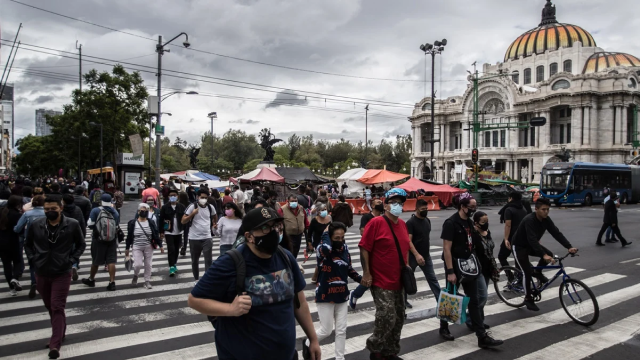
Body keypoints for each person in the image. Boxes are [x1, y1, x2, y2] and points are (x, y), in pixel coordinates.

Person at [188, 207, 321, 360]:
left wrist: (313, 339)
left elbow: (300, 302)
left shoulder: (286, 257)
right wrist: (230, 309)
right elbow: (194, 300)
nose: (274, 232)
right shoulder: (230, 263)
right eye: (265, 228)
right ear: (249, 236)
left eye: (276, 226)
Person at [25, 195, 85, 359]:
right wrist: (32, 259)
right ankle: (60, 332)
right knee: (50, 306)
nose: (50, 212)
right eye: (47, 209)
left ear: (61, 208)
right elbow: (27, 244)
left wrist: (72, 260)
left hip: (62, 272)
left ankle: (55, 344)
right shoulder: (37, 224)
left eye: (53, 209)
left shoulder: (72, 224)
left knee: (57, 306)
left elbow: (81, 244)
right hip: (42, 271)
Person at [441, 192, 503, 348]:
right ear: (462, 207)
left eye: (475, 207)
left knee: (474, 300)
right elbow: (446, 249)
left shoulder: (469, 223)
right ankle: (443, 328)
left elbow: (474, 244)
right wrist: (450, 272)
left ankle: (481, 336)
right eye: (472, 207)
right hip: (454, 265)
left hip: (469, 266)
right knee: (450, 297)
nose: (474, 210)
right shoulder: (451, 223)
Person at [358, 188, 411, 359]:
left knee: (399, 318)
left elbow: (405, 248)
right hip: (381, 279)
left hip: (399, 280)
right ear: (386, 205)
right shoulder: (376, 223)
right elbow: (364, 247)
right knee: (387, 316)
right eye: (393, 202)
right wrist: (366, 273)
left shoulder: (402, 225)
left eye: (400, 202)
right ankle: (375, 348)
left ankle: (391, 351)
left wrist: (408, 266)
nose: (397, 205)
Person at [304, 221, 361, 360]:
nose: (340, 241)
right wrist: (325, 233)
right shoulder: (321, 249)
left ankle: (340, 358)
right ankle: (307, 343)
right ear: (329, 238)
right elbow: (326, 250)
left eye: (342, 237)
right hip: (325, 294)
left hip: (342, 294)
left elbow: (348, 268)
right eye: (336, 238)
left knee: (341, 330)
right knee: (326, 330)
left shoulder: (345, 248)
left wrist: (361, 279)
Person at [512, 198, 578, 311]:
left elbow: (556, 233)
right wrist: (543, 255)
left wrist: (569, 246)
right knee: (526, 272)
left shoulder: (546, 219)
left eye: (548, 209)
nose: (546, 212)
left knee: (550, 253)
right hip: (520, 246)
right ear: (536, 209)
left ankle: (537, 272)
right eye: (543, 209)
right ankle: (528, 299)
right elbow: (532, 239)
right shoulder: (529, 220)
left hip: (531, 245)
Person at [404, 198, 454, 336]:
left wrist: (423, 255)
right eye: (423, 209)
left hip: (426, 257)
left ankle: (441, 302)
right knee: (407, 280)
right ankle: (402, 303)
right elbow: (408, 241)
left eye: (427, 209)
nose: (425, 211)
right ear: (417, 208)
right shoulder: (410, 223)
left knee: (433, 280)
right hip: (414, 257)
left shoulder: (427, 221)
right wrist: (415, 255)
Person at [82, 194, 120, 291]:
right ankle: (112, 282)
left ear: (101, 201)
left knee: (96, 260)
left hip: (98, 239)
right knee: (111, 261)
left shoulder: (96, 210)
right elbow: (116, 225)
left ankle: (91, 279)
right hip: (111, 239)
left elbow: (90, 224)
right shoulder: (115, 212)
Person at [467, 211, 497, 330]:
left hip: (488, 267)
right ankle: (472, 319)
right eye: (483, 222)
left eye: (487, 221)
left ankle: (479, 320)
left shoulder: (487, 232)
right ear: (476, 223)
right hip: (477, 269)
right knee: (483, 296)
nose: (486, 224)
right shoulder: (473, 235)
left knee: (480, 297)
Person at [182, 189, 218, 285]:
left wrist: (214, 223)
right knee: (195, 260)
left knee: (208, 260)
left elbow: (215, 216)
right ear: (197, 197)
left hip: (207, 237)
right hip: (194, 238)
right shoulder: (192, 207)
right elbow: (183, 220)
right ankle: (196, 279)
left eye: (206, 198)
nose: (204, 199)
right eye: (202, 197)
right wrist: (192, 214)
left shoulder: (210, 207)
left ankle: (207, 280)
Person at [14, 194, 46, 297]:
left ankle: (34, 282)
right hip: (46, 240)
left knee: (32, 262)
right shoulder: (47, 213)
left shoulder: (27, 214)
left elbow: (17, 228)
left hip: (30, 241)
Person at [126, 203, 164, 289]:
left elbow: (155, 234)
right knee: (137, 265)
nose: (144, 212)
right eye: (142, 211)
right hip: (137, 246)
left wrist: (161, 245)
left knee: (148, 264)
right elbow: (129, 236)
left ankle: (147, 281)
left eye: (146, 211)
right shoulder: (132, 223)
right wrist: (127, 248)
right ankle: (136, 275)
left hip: (148, 246)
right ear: (138, 211)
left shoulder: (150, 222)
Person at [0, 195, 24, 296]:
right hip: (14, 241)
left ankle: (11, 288)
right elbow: (20, 229)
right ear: (17, 204)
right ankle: (15, 278)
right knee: (17, 261)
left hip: (1, 242)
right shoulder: (17, 215)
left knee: (6, 265)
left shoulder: (1, 213)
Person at [498, 192, 528, 272]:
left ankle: (510, 276)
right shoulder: (523, 208)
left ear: (511, 198)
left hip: (512, 237)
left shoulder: (509, 209)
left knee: (502, 256)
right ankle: (519, 276)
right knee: (518, 258)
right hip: (522, 236)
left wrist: (506, 239)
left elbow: (508, 225)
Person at [159, 189, 186, 277]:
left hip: (179, 231)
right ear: (168, 197)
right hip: (169, 232)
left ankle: (174, 263)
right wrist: (161, 232)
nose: (173, 197)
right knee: (171, 249)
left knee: (177, 249)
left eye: (174, 195)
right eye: (171, 195)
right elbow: (160, 220)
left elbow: (185, 218)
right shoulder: (165, 207)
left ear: (177, 196)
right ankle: (171, 266)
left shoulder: (181, 206)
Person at [61, 194, 87, 281]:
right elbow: (82, 222)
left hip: (64, 233)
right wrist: (83, 233)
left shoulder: (61, 209)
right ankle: (75, 265)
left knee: (66, 251)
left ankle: (67, 266)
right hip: (76, 232)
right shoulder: (77, 209)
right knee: (76, 250)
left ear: (63, 201)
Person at [307, 203, 332, 283]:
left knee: (328, 260)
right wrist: (309, 244)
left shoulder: (330, 218)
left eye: (325, 209)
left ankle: (320, 277)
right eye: (322, 210)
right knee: (320, 261)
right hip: (318, 243)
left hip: (329, 242)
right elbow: (309, 233)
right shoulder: (315, 220)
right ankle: (316, 277)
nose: (324, 211)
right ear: (318, 212)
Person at [178, 191, 191, 257]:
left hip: (179, 221)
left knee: (179, 233)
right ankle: (184, 248)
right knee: (186, 235)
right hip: (187, 221)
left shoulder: (178, 204)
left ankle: (180, 244)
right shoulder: (189, 204)